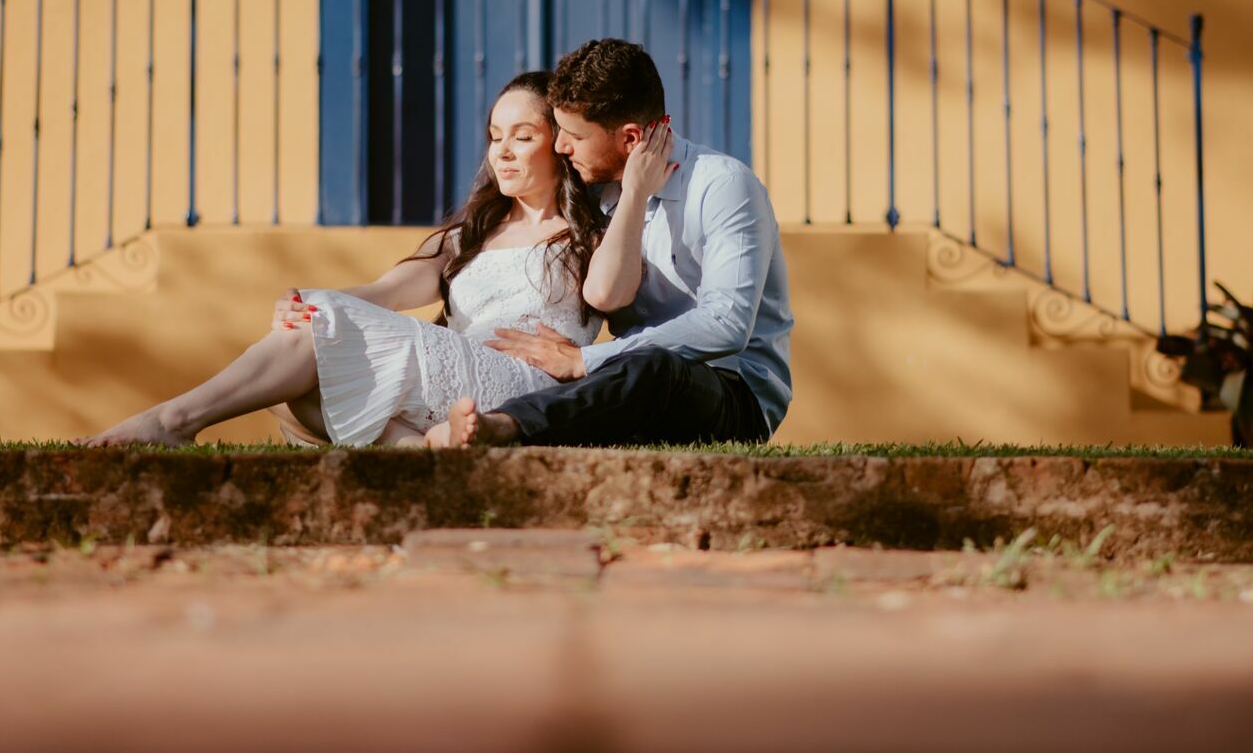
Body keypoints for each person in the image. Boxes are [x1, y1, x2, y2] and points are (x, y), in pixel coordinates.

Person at [76, 71, 634, 448]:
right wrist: (313, 304)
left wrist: (633, 193)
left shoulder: (594, 234)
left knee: (310, 355)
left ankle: (172, 420)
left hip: (521, 389)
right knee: (292, 390)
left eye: (522, 135)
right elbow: (390, 291)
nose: (502, 151)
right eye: (494, 136)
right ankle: (414, 452)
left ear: (559, 143)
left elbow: (613, 296)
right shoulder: (472, 230)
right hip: (452, 372)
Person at [432, 38, 793, 449]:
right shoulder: (595, 194)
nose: (561, 147)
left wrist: (584, 360)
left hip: (731, 391)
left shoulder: (722, 185)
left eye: (574, 136)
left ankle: (507, 427)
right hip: (624, 377)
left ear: (631, 138)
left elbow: (725, 326)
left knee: (654, 367)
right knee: (628, 368)